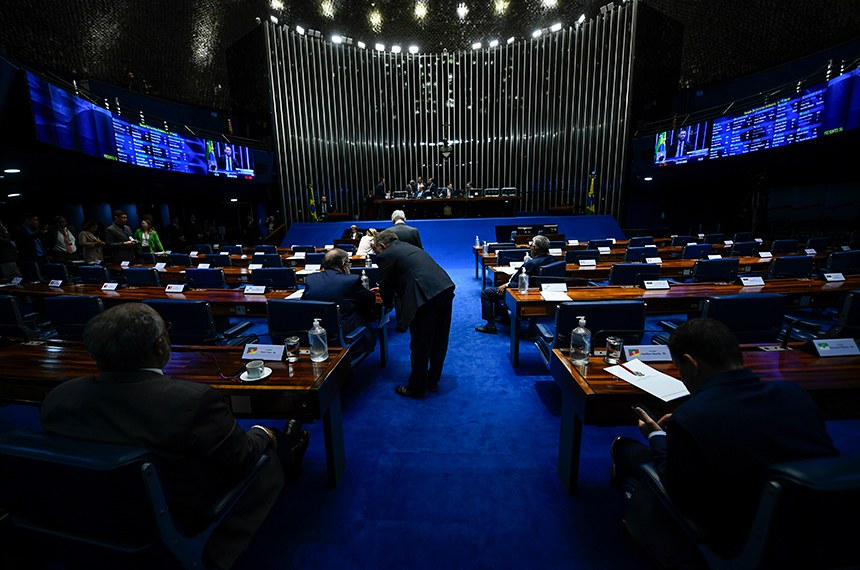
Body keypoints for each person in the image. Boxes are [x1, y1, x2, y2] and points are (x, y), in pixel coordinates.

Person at [40, 303, 310, 569]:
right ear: (160, 346)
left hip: (92, 513)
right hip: (178, 512)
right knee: (269, 449)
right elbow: (243, 457)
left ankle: (290, 445)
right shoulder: (191, 401)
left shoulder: (59, 398)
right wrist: (263, 433)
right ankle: (289, 452)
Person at [610, 318, 838, 566]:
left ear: (691, 364)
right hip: (823, 524)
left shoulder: (691, 417)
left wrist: (657, 436)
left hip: (741, 535)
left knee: (628, 453)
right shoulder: (795, 395)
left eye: (679, 367)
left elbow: (680, 493)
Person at [371, 230, 455, 398]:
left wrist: (384, 307)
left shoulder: (385, 254)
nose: (375, 253)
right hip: (444, 287)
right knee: (439, 340)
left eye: (375, 249)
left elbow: (386, 284)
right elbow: (407, 272)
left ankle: (416, 388)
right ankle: (432, 381)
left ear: (382, 246)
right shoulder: (408, 246)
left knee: (421, 344)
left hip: (424, 296)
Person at [475, 235, 557, 334]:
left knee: (487, 293)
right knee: (499, 286)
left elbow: (518, 283)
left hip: (521, 291)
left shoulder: (531, 264)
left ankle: (490, 326)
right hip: (540, 289)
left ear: (535, 249)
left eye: (531, 246)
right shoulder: (553, 259)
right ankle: (503, 317)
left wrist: (507, 285)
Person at [303, 248, 376, 355]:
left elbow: (305, 301)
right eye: (348, 263)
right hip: (345, 333)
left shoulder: (311, 278)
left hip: (317, 333)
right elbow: (369, 300)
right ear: (343, 263)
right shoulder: (351, 280)